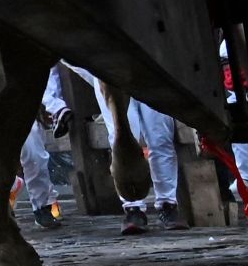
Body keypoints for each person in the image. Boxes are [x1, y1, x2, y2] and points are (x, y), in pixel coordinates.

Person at [73, 63, 186, 232]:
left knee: (160, 136)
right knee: (121, 135)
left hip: (148, 67)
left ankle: (167, 204)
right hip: (109, 71)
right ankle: (133, 208)